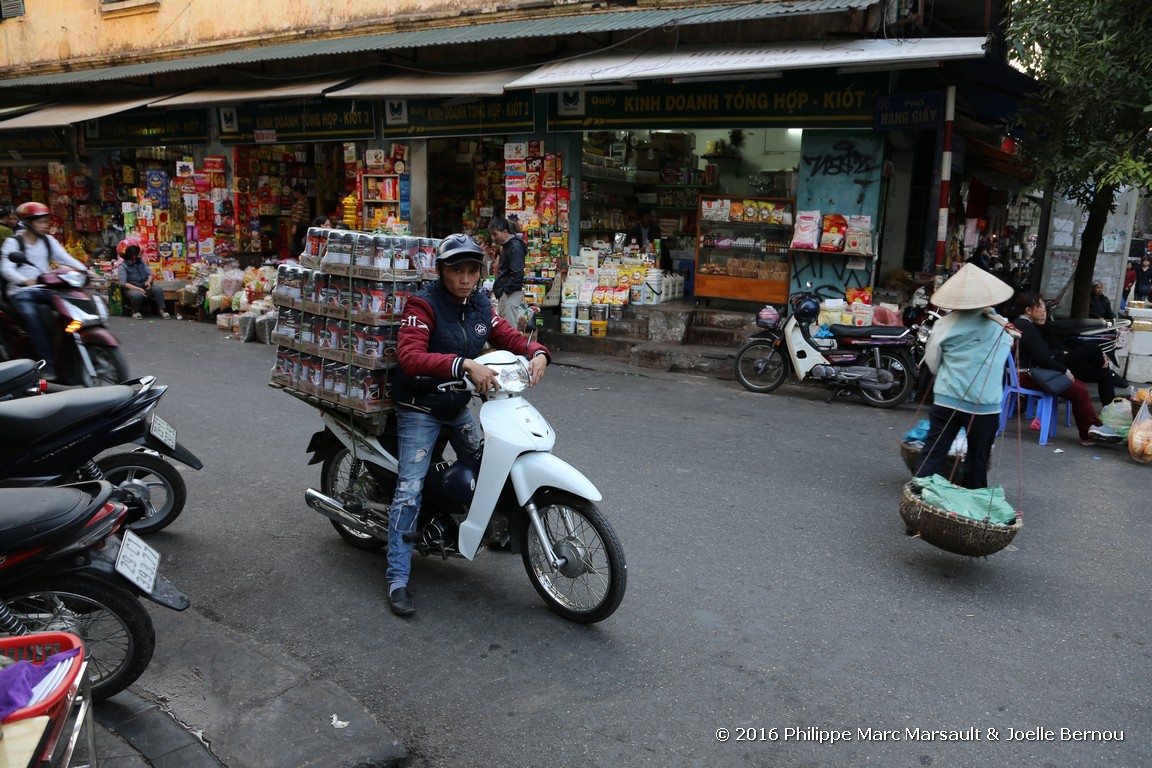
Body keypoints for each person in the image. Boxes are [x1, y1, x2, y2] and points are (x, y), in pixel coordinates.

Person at [387, 233, 550, 617]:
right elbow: (409, 356)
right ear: (441, 270)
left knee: (486, 462)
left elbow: (506, 335)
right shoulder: (423, 305)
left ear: (480, 272)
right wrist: (463, 364)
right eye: (456, 270)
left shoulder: (478, 303)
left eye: (471, 270)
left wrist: (538, 351)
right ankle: (397, 577)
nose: (464, 278)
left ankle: (482, 526)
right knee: (409, 490)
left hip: (456, 405)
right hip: (420, 406)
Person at [914, 264, 1015, 489]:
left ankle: (918, 502)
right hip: (985, 406)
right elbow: (1003, 353)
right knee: (977, 463)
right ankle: (972, 511)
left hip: (947, 399)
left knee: (933, 455)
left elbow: (932, 362)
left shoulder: (944, 324)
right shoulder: (1000, 326)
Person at [1010, 292, 1120, 445]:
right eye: (1040, 306)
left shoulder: (1024, 325)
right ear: (1028, 310)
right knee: (1078, 390)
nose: (1043, 310)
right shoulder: (1025, 326)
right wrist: (1065, 371)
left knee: (1079, 386)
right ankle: (1088, 432)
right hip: (1026, 376)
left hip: (1030, 374)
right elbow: (1042, 358)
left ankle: (1094, 427)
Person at [0, 202, 88, 380]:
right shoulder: (13, 242)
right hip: (20, 291)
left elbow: (66, 259)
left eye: (46, 221)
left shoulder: (49, 241)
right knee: (32, 316)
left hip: (45, 288)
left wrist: (86, 272)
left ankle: (71, 353)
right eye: (41, 221)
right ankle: (47, 363)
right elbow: (6, 268)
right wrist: (24, 280)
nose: (45, 225)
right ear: (28, 222)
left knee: (72, 309)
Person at [487, 216, 527, 330]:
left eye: (495, 234)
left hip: (510, 295)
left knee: (508, 330)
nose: (493, 238)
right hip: (507, 294)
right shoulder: (508, 246)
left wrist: (506, 291)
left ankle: (511, 349)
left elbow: (517, 273)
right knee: (505, 329)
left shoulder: (514, 247)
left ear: (505, 232)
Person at [117, 243, 170, 319]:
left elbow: (150, 274)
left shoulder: (141, 262)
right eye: (139, 254)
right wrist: (138, 288)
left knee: (158, 289)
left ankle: (162, 311)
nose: (141, 255)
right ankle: (135, 312)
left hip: (144, 286)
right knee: (137, 294)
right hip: (132, 288)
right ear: (133, 256)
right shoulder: (123, 267)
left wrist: (148, 282)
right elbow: (123, 283)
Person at [289, 183, 310, 257]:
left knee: (298, 244)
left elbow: (299, 215)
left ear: (298, 192)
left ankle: (297, 258)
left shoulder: (301, 202)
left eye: (294, 193)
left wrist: (295, 226)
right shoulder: (303, 200)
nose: (293, 195)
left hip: (300, 226)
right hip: (302, 226)